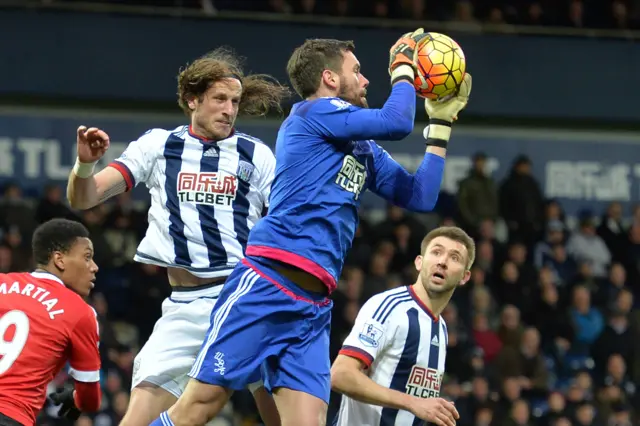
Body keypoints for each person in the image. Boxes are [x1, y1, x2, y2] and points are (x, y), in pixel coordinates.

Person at [152, 29, 472, 426]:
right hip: (268, 284)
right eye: (358, 71)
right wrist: (404, 66)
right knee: (199, 406)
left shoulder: (361, 148)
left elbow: (420, 196)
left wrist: (440, 124)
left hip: (313, 307)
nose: (368, 79)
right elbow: (397, 120)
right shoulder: (311, 115)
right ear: (330, 79)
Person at [65, 48, 289, 426]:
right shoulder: (157, 145)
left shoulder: (257, 155)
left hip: (244, 298)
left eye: (234, 101)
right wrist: (86, 164)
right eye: (220, 99)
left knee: (285, 417)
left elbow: (287, 221)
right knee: (136, 417)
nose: (229, 109)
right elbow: (83, 198)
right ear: (192, 100)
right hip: (185, 306)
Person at [331, 226, 475, 426]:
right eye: (436, 252)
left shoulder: (441, 328)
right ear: (419, 262)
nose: (442, 262)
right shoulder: (389, 307)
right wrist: (413, 403)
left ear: (464, 277)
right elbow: (340, 374)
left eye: (454, 257)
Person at [0, 218, 101, 426]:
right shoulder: (81, 313)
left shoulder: (2, 282)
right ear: (59, 260)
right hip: (10, 415)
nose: (94, 267)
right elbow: (90, 399)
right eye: (87, 257)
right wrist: (75, 398)